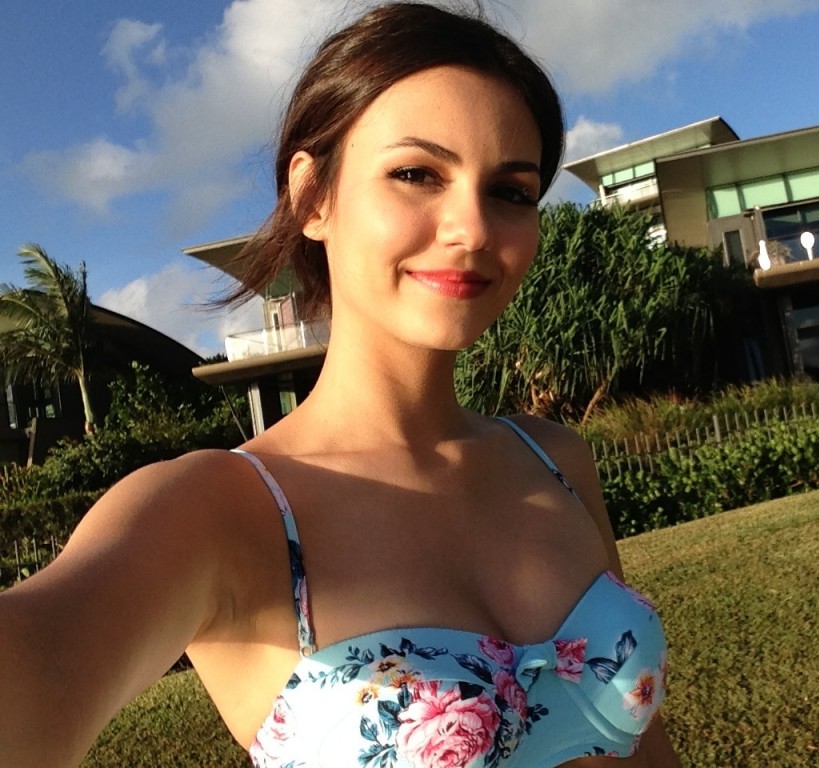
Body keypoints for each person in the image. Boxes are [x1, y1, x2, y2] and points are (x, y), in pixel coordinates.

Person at [0, 3, 679, 766]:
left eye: (511, 191)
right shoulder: (220, 514)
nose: (473, 228)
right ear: (313, 196)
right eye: (417, 174)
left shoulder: (555, 460)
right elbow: (38, 663)